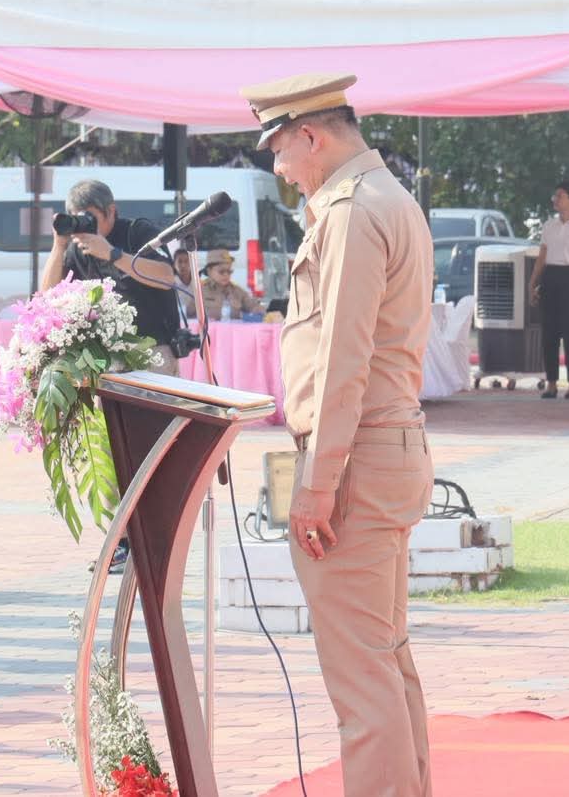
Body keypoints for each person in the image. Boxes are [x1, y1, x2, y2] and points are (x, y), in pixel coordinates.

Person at [240, 72, 433, 796]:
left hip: (352, 458)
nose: (282, 172)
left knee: (361, 678)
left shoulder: (351, 211)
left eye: (280, 154)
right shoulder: (388, 198)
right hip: (383, 448)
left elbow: (343, 360)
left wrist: (315, 486)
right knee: (384, 661)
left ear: (310, 136)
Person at [41, 179, 182, 373]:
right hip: (105, 355)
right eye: (76, 218)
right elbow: (48, 296)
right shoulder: (77, 247)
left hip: (152, 351)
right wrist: (59, 245)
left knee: (152, 405)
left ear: (111, 210)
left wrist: (112, 254)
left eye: (89, 217)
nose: (83, 225)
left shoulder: (137, 232)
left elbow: (166, 277)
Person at [526, 181, 569, 399]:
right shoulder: (549, 226)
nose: (556, 199)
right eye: (555, 196)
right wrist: (533, 282)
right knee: (549, 333)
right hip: (551, 277)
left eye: (560, 196)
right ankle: (551, 383)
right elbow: (542, 257)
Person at [186, 249, 263, 322]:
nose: (226, 275)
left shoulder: (237, 292)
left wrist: (262, 311)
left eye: (229, 271)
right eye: (221, 271)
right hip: (207, 334)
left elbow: (254, 307)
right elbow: (188, 315)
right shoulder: (199, 291)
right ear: (209, 271)